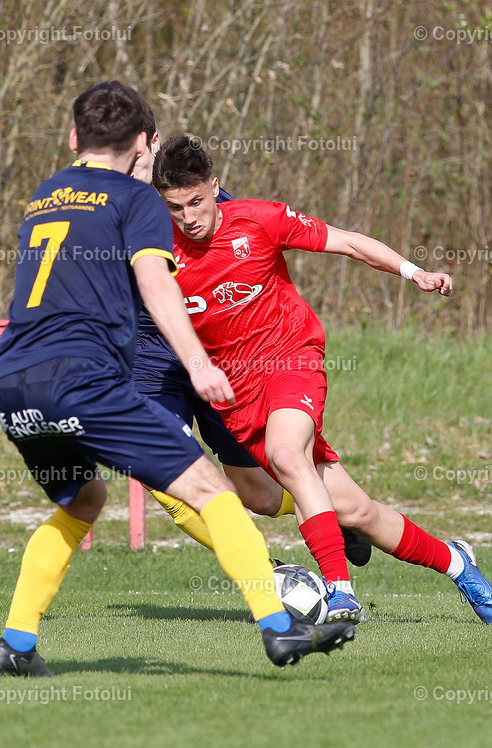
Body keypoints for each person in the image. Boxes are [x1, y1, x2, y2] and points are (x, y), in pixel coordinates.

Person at [0, 82, 355, 677]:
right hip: (86, 378)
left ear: (74, 138)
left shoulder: (47, 193)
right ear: (141, 143)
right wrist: (201, 364)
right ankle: (280, 628)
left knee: (85, 499)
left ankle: (16, 644)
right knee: (211, 491)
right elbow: (158, 286)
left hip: (15, 377)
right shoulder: (137, 200)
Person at [152, 135, 492, 625]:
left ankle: (340, 591)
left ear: (215, 187)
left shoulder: (257, 219)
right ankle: (455, 561)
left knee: (285, 453)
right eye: (175, 207)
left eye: (196, 201)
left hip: (292, 358)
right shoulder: (157, 256)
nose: (189, 217)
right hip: (239, 397)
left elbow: (347, 242)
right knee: (357, 512)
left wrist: (413, 272)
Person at [129, 104, 373, 572]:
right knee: (159, 467)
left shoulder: (204, 206)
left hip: (216, 354)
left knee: (258, 492)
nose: (127, 171)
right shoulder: (109, 213)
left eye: (136, 160)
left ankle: (335, 515)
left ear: (154, 145)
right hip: (152, 358)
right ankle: (267, 571)